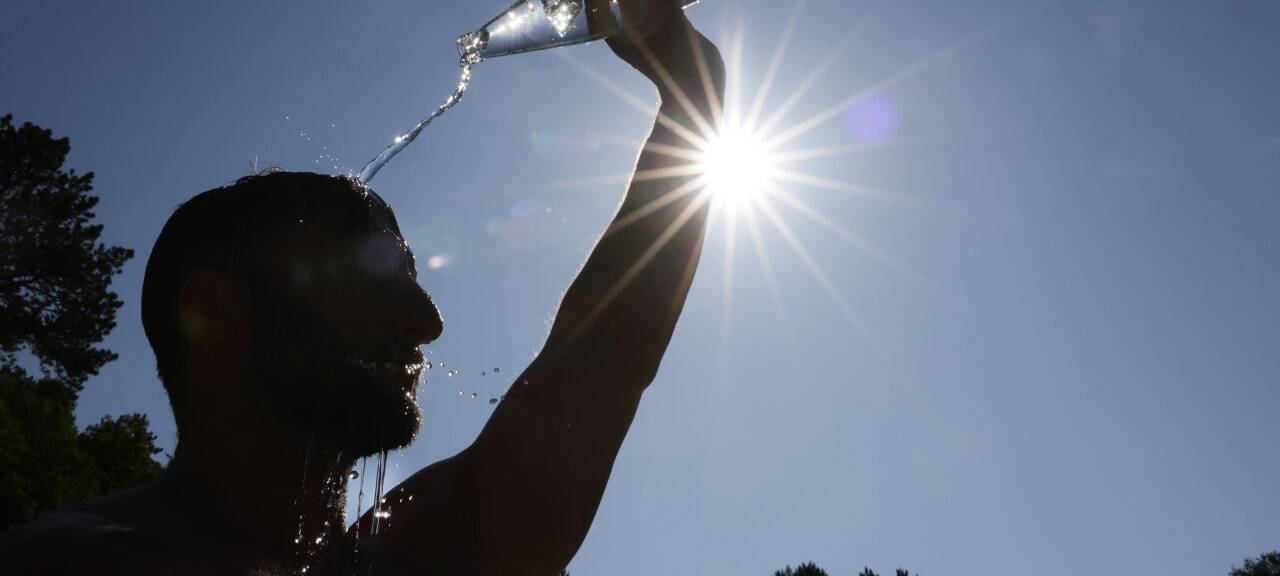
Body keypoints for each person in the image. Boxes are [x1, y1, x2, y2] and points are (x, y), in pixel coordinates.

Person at [0, 2, 724, 574]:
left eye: (410, 275)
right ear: (213, 308)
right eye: (371, 271)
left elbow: (605, 355)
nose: (427, 321)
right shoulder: (72, 560)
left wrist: (694, 90)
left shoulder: (430, 553)